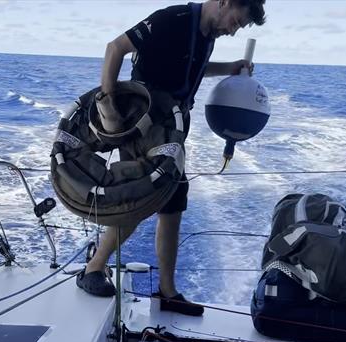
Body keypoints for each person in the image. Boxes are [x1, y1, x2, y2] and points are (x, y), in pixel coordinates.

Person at [77, 0, 267, 316]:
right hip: (143, 125)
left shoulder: (206, 35)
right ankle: (93, 270)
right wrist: (108, 107)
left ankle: (166, 291)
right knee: (140, 200)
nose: (233, 30)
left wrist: (228, 68)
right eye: (236, 20)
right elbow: (115, 49)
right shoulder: (173, 19)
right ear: (223, 2)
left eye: (240, 27)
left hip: (171, 131)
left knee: (173, 202)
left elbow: (192, 70)